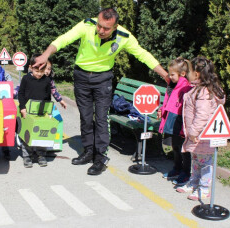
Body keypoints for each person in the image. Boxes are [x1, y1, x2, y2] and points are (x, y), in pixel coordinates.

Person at [33, 8, 169, 175]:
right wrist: (46, 54)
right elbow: (64, 39)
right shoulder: (86, 25)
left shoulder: (124, 37)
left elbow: (142, 54)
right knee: (86, 116)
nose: (101, 31)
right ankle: (89, 151)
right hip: (81, 76)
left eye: (106, 28)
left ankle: (101, 158)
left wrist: (165, 75)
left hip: (103, 79)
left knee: (102, 118)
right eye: (100, 26)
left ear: (115, 26)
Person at [176, 56, 225, 201]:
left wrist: (193, 132)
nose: (187, 74)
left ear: (197, 74)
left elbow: (202, 116)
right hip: (197, 136)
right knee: (197, 161)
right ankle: (194, 183)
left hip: (202, 135)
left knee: (204, 164)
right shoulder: (199, 90)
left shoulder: (203, 93)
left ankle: (203, 189)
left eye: (189, 71)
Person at [158, 57, 192, 185]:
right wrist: (162, 109)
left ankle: (186, 172)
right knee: (175, 146)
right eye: (169, 73)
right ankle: (177, 168)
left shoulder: (186, 87)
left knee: (183, 147)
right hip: (171, 118)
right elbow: (168, 101)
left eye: (172, 74)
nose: (169, 76)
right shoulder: (172, 85)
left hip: (179, 120)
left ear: (182, 74)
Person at [18, 54, 52, 168]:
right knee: (27, 134)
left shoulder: (47, 80)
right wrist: (22, 107)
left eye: (41, 71)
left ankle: (41, 155)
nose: (39, 74)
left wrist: (49, 112)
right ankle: (27, 156)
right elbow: (21, 94)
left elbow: (48, 97)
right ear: (31, 67)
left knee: (41, 134)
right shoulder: (26, 79)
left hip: (41, 112)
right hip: (27, 111)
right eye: (36, 70)